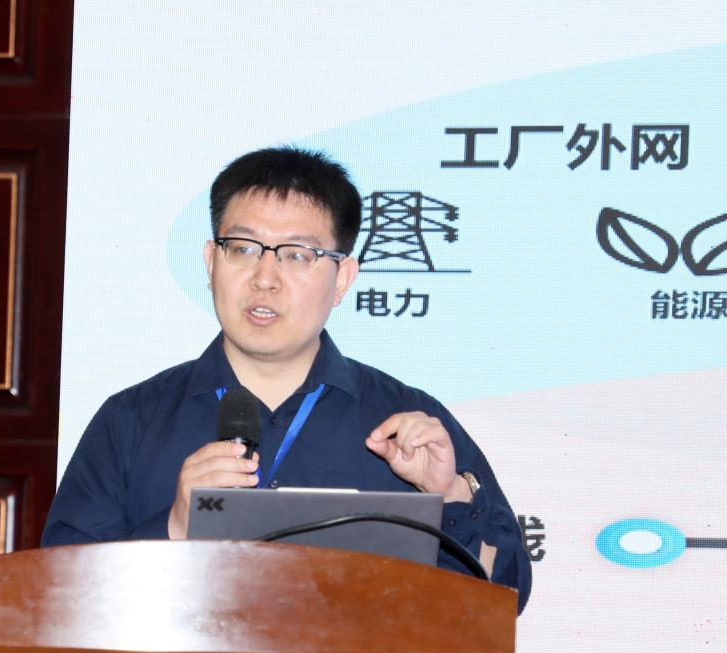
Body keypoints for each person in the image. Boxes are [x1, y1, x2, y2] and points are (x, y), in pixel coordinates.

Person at [43, 146, 531, 611]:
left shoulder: (405, 424)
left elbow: (505, 599)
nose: (265, 278)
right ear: (211, 263)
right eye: (243, 248)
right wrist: (172, 527)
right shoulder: (131, 421)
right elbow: (59, 600)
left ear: (342, 279)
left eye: (297, 255)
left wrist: (449, 498)